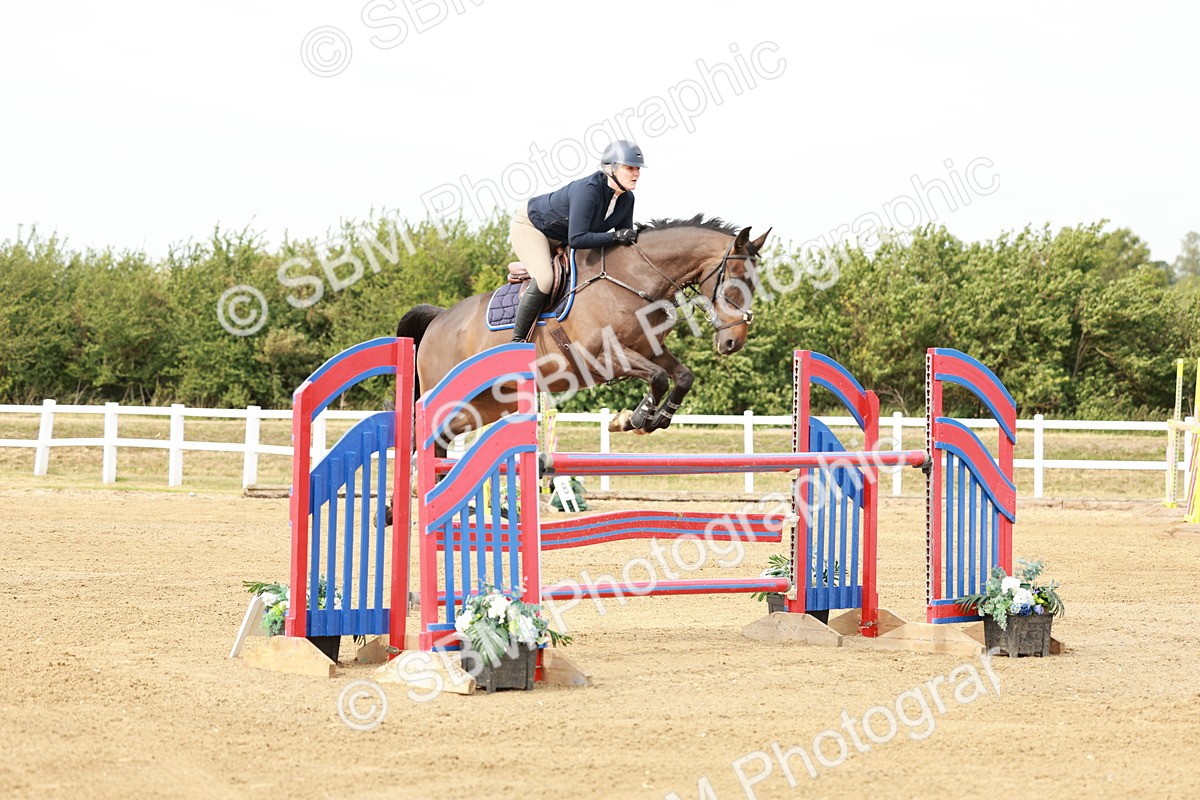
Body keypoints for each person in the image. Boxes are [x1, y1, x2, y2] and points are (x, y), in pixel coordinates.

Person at [508, 140, 645, 342]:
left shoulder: (627, 199)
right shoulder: (589, 190)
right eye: (630, 168)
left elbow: (622, 242)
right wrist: (616, 236)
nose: (636, 173)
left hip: (563, 238)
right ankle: (517, 341)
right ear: (611, 169)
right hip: (532, 228)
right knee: (545, 279)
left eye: (638, 169)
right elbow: (578, 238)